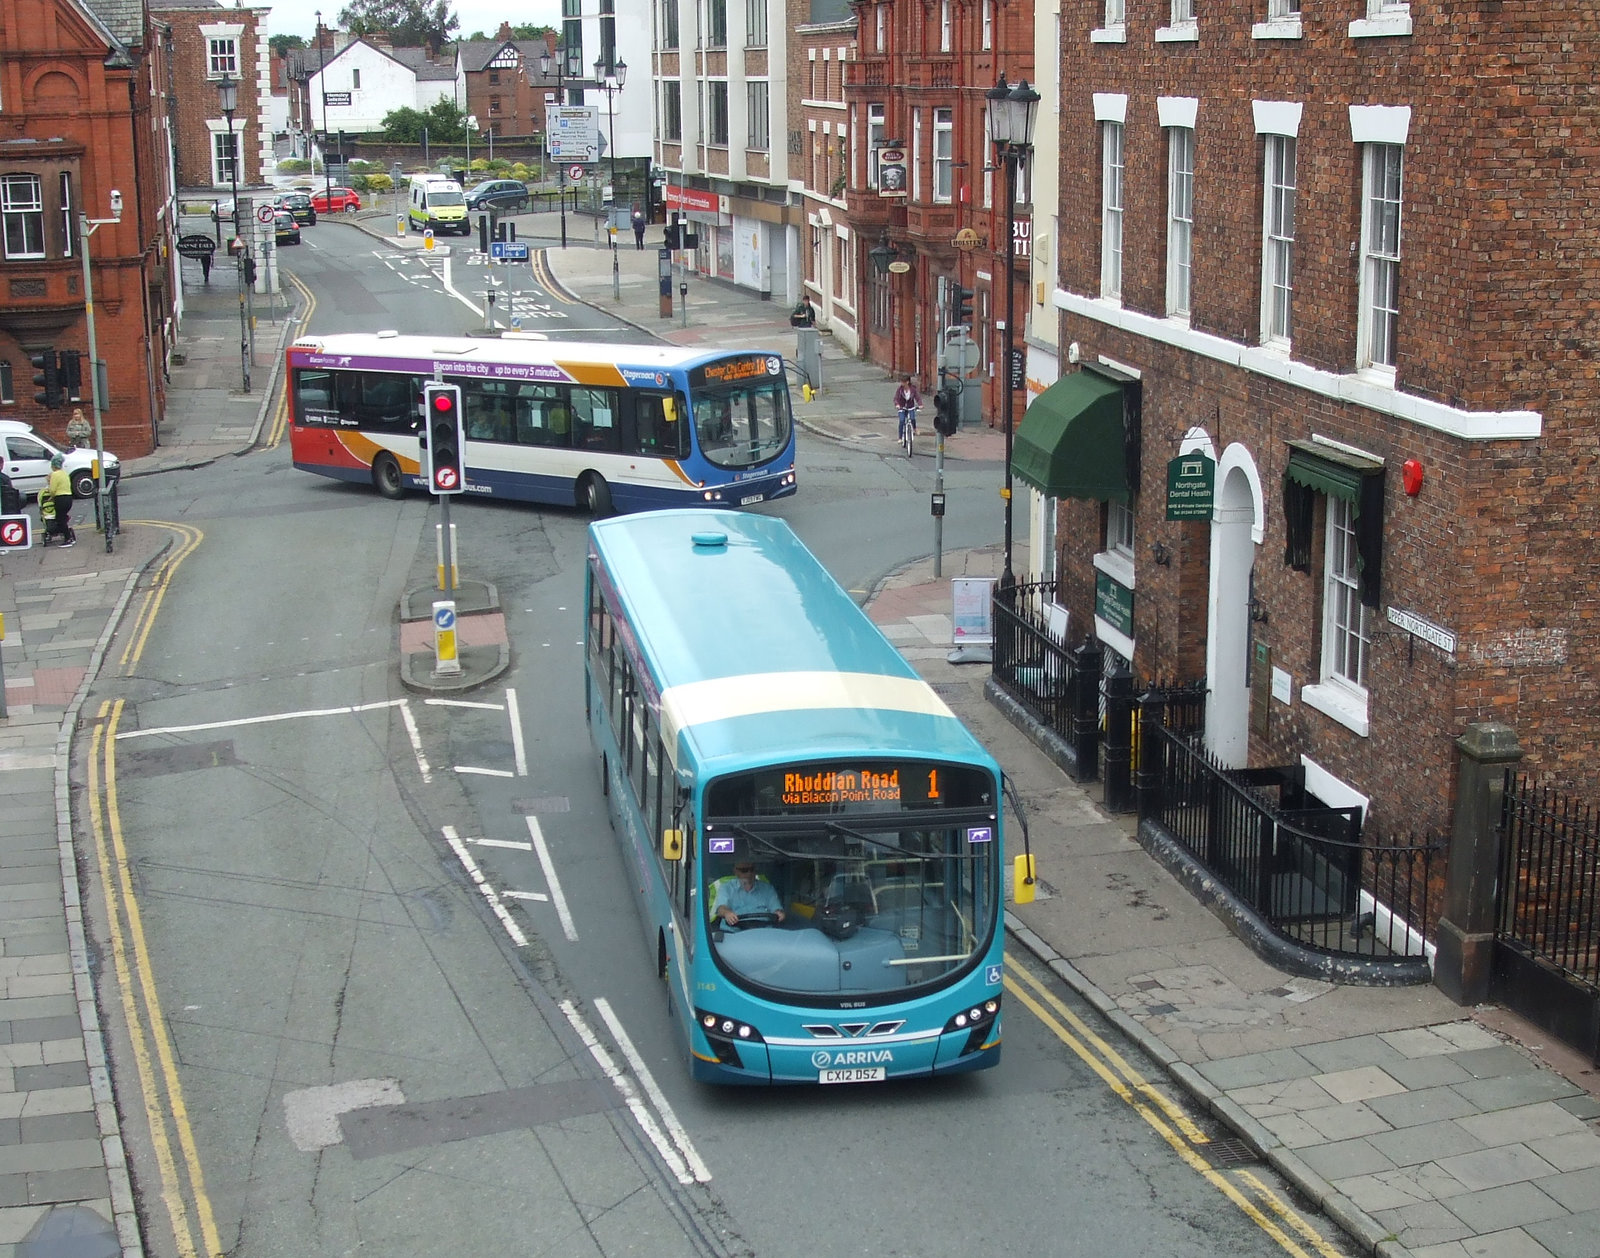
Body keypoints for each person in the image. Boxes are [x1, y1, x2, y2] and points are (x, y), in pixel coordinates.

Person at [711, 862, 784, 927]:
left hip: (763, 931)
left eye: (751, 869)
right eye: (744, 870)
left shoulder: (767, 888)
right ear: (735, 871)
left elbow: (777, 910)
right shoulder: (726, 887)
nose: (749, 873)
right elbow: (720, 909)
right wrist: (727, 913)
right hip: (733, 932)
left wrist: (779, 914)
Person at [39, 454, 75, 547]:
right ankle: (68, 536)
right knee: (63, 517)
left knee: (60, 519)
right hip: (68, 498)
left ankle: (68, 539)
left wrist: (51, 496)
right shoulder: (64, 473)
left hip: (60, 498)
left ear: (54, 465)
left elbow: (53, 489)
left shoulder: (55, 474)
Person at [893, 374, 921, 440]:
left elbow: (918, 398)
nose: (901, 383)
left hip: (910, 407)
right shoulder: (899, 390)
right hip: (901, 407)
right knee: (902, 420)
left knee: (912, 418)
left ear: (907, 382)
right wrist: (897, 404)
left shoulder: (913, 389)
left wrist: (920, 404)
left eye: (903, 382)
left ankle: (914, 429)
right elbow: (896, 398)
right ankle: (900, 438)